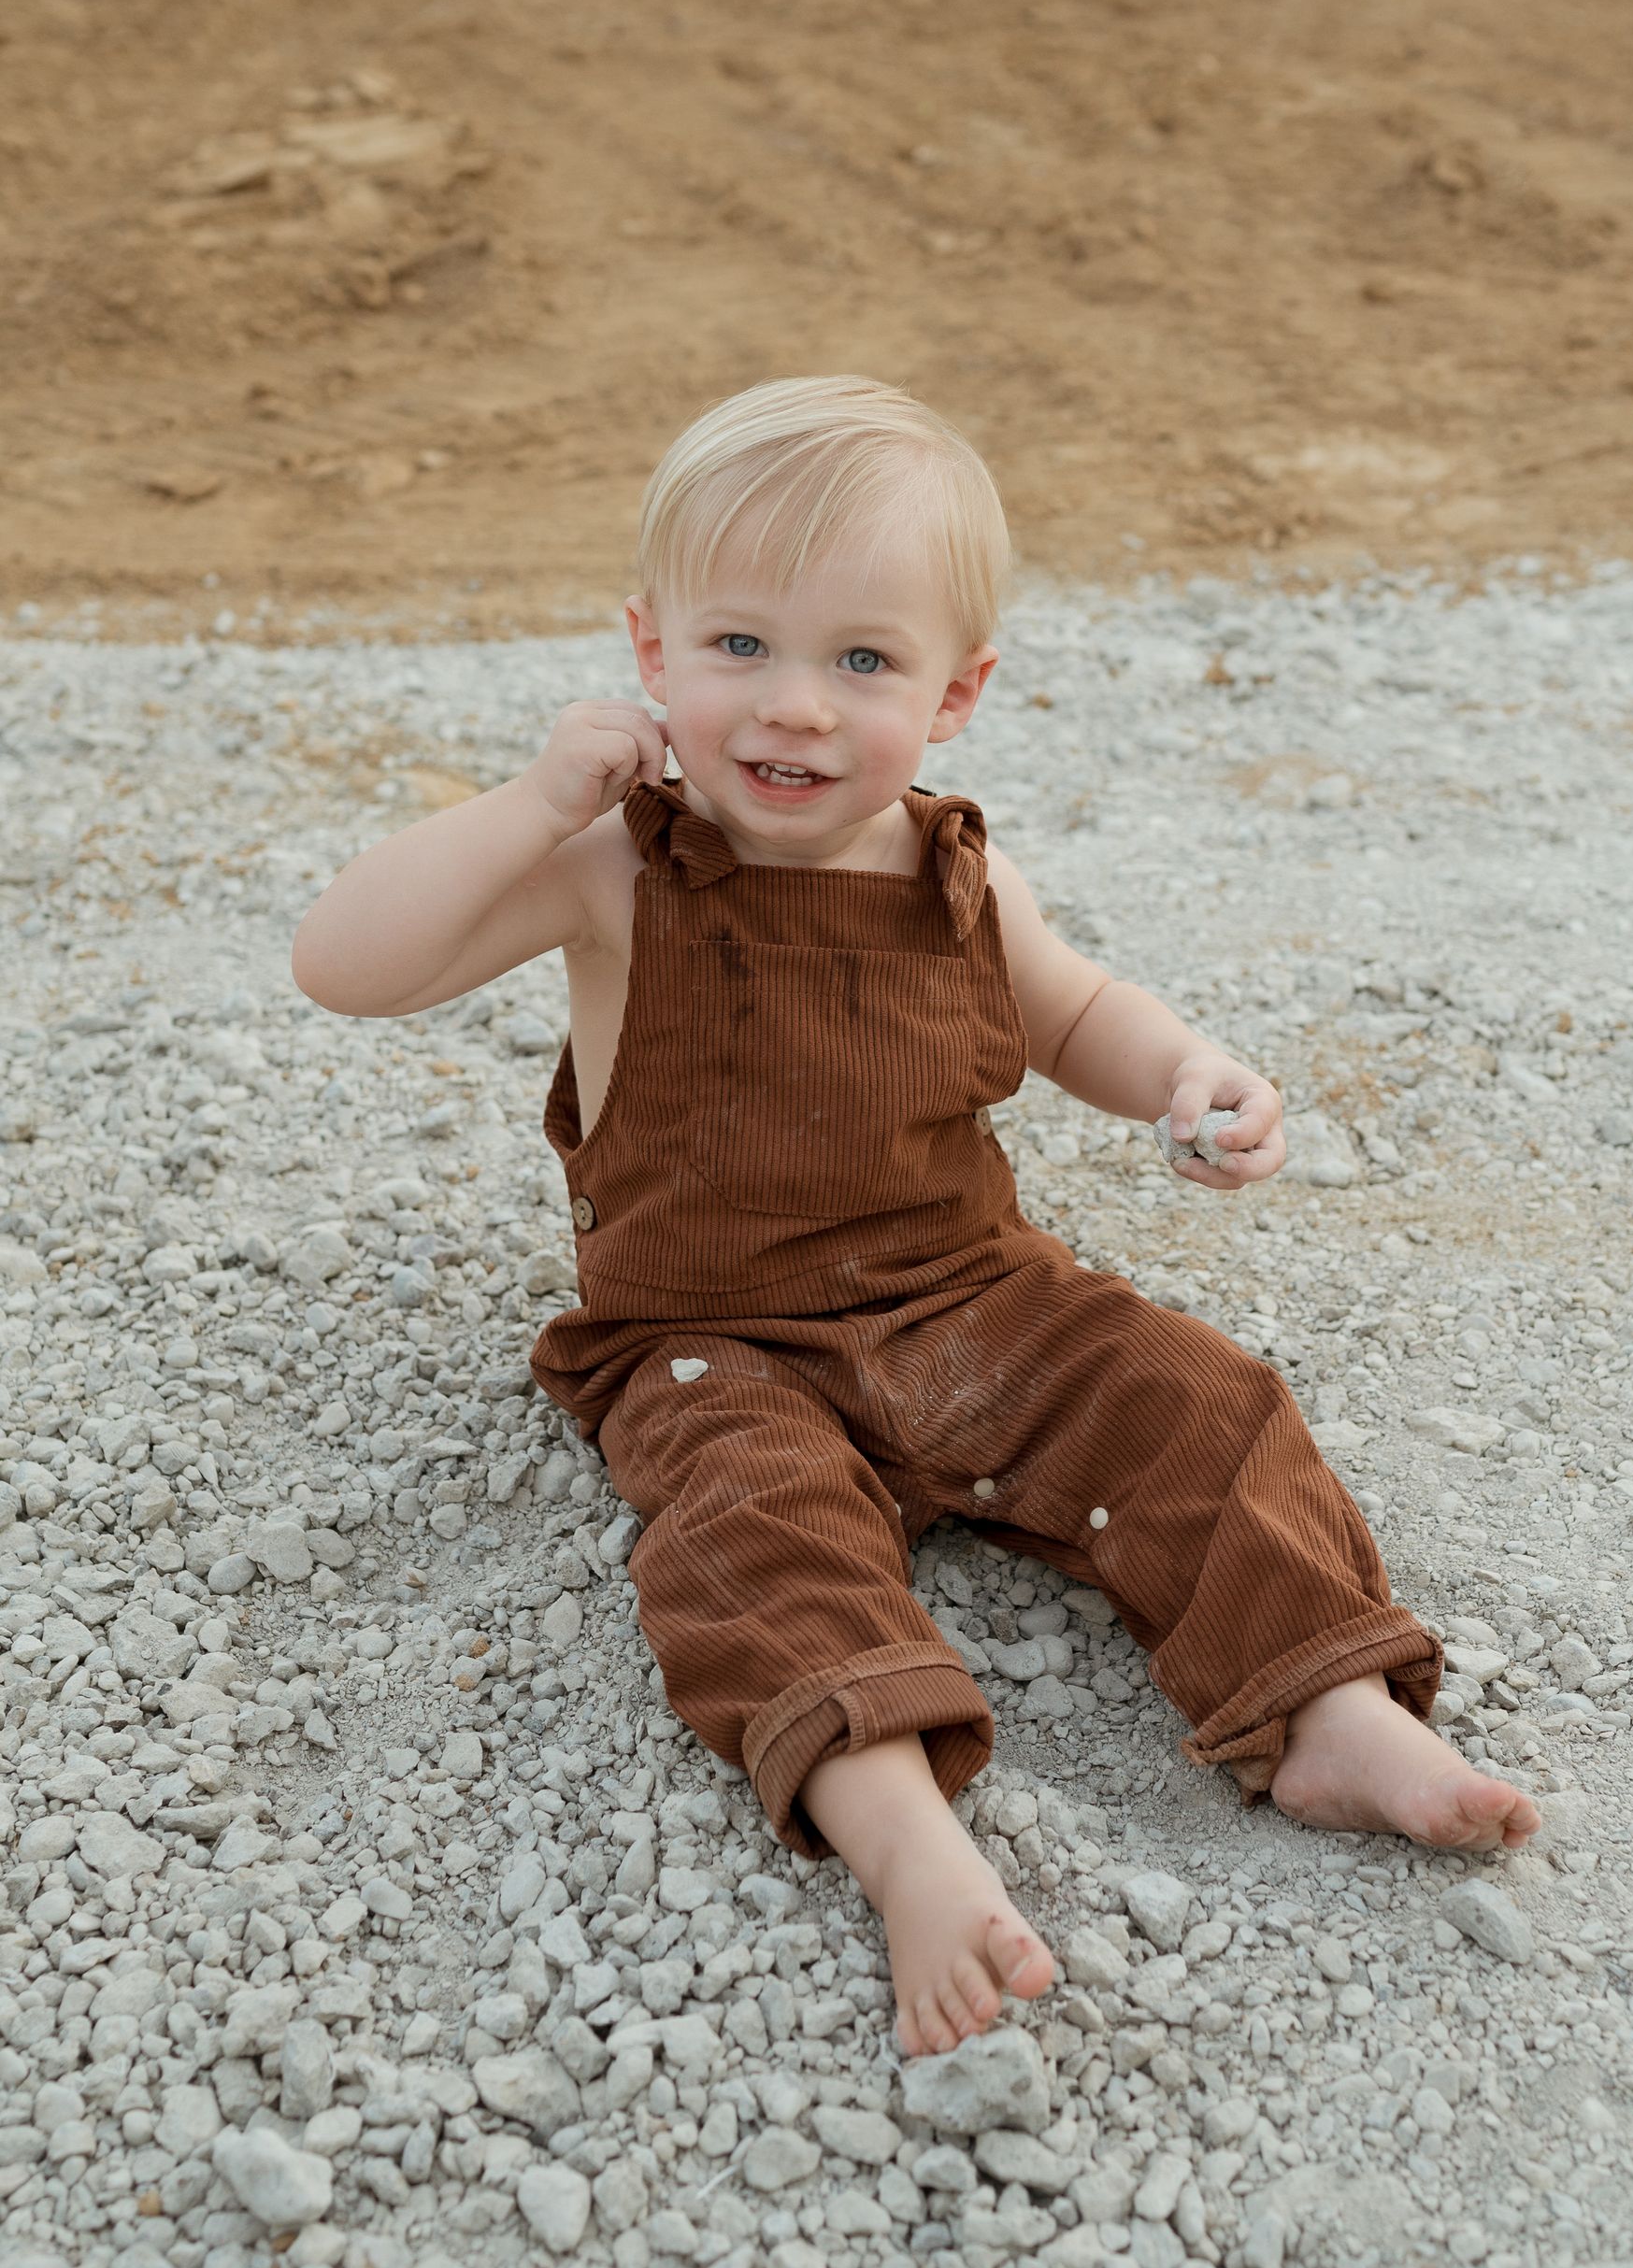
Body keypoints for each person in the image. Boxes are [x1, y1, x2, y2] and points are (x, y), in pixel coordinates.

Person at [292, 374, 1539, 2060]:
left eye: (862, 663)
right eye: (741, 648)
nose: (793, 708)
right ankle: (906, 1838)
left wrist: (1190, 1075)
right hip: (708, 1338)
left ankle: (1326, 1701)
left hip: (972, 1299)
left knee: (1191, 1400)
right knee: (748, 1540)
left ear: (955, 694)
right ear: (650, 653)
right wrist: (528, 804)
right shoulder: (617, 867)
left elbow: (1077, 1016)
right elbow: (346, 969)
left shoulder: (960, 878)